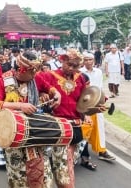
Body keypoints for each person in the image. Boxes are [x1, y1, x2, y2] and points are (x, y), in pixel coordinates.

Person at [35, 49, 106, 187]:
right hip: (53, 123)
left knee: (66, 163)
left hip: (74, 123)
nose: (72, 68)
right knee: (51, 165)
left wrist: (95, 107)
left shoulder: (81, 78)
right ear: (62, 60)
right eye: (69, 64)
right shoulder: (49, 75)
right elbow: (36, 86)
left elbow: (87, 99)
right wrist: (43, 93)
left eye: (75, 66)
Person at [0, 51, 61, 188]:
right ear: (20, 70)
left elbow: (51, 89)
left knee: (43, 176)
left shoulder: (36, 79)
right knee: (18, 178)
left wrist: (56, 94)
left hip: (35, 133)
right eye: (31, 72)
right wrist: (20, 106)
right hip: (13, 135)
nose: (34, 75)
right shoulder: (2, 81)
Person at [80, 52, 116, 161]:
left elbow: (100, 87)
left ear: (94, 61)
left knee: (99, 126)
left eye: (90, 59)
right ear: (83, 61)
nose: (88, 62)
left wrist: (103, 99)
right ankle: (82, 153)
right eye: (85, 59)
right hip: (84, 103)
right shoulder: (80, 73)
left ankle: (102, 150)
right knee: (84, 128)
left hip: (97, 102)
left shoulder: (99, 72)